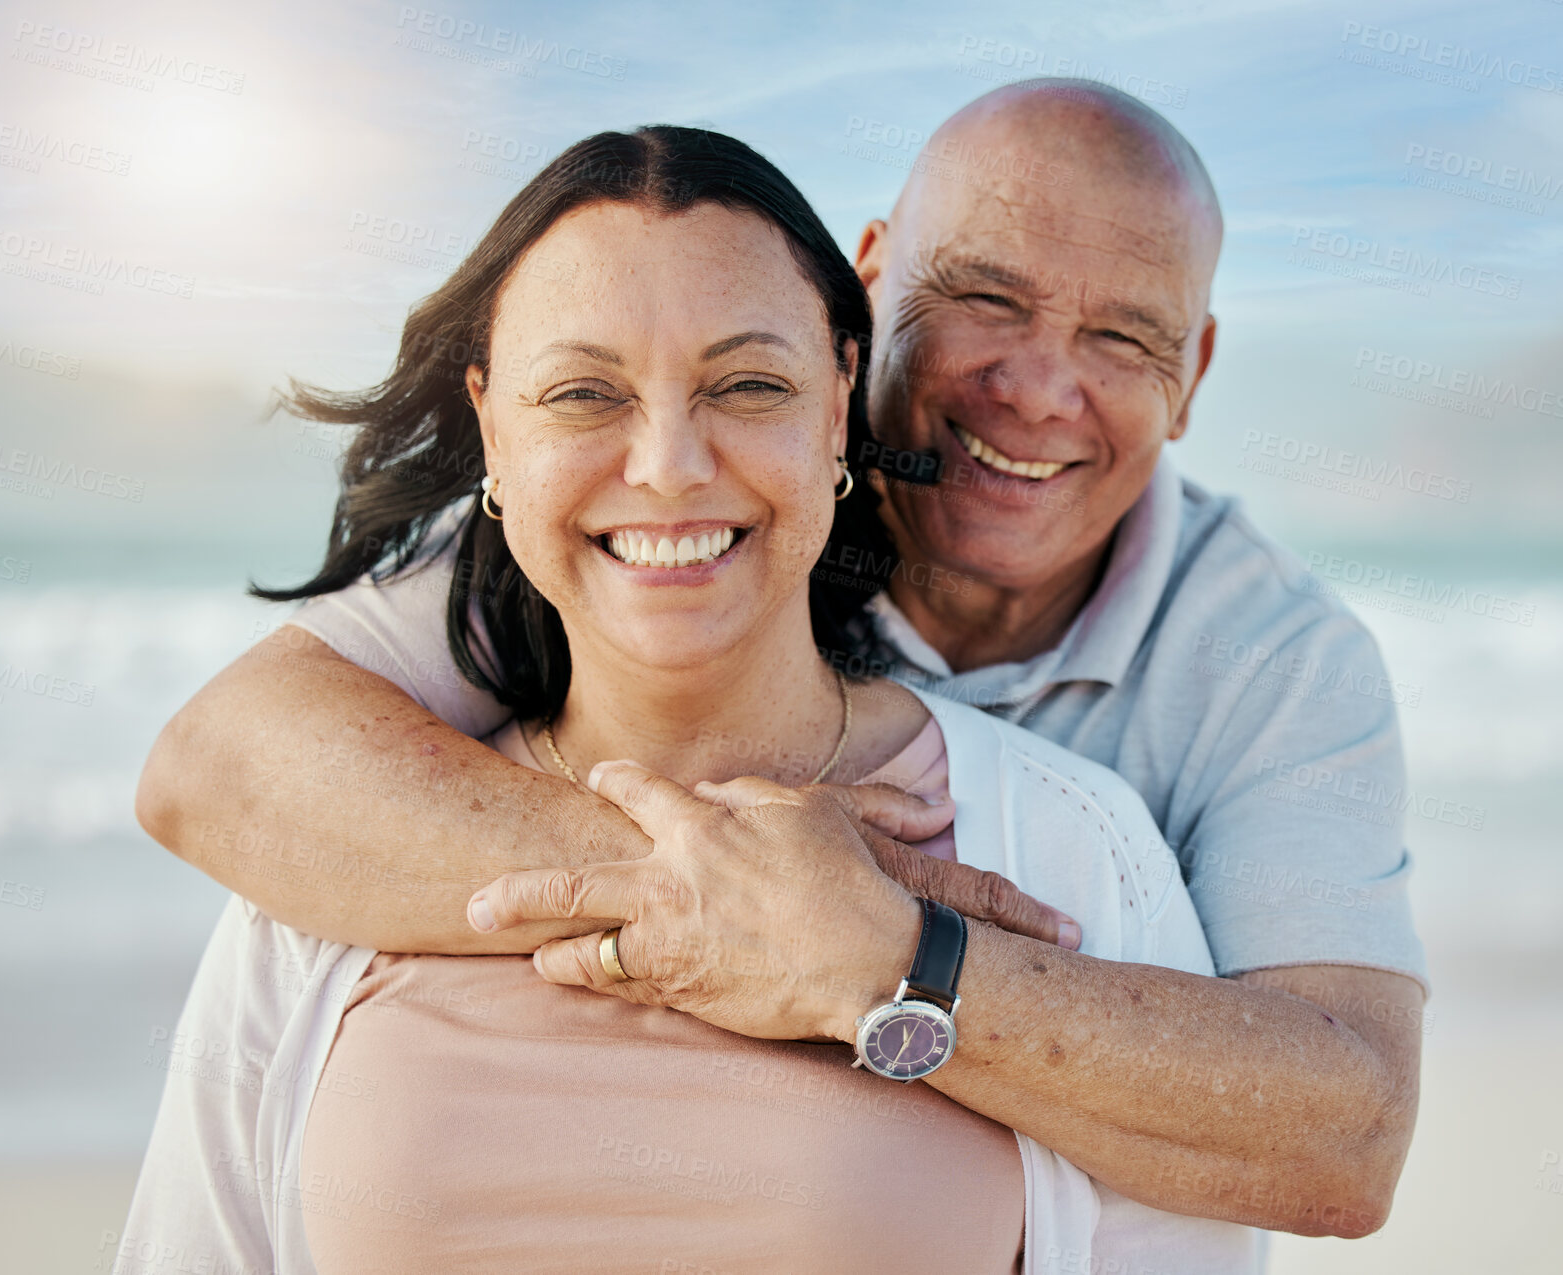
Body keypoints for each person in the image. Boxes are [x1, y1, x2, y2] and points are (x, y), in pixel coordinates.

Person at [135, 82, 1428, 1240]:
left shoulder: (1259, 677)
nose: (1036, 389)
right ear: (872, 282)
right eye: (985, 297)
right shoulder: (623, 522)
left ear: (1192, 373)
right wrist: (724, 886)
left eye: (1123, 337)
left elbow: (1343, 1137)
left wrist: (887, 958)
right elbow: (225, 769)